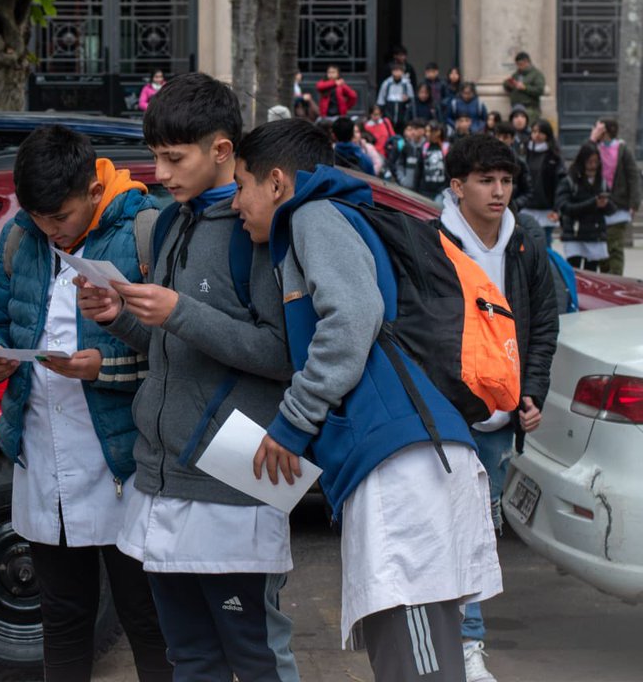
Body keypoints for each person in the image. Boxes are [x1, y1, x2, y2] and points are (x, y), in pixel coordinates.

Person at [232, 117, 502, 682]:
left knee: (420, 665)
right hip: (399, 457)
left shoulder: (313, 215)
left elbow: (353, 317)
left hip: (402, 465)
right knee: (409, 656)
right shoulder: (332, 215)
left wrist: (293, 421)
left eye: (241, 185)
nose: (236, 203)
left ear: (277, 182)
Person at [75, 72, 300, 682]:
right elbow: (173, 347)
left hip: (237, 476)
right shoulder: (172, 221)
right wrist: (122, 317)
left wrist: (182, 312)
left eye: (174, 158)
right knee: (189, 656)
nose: (160, 172)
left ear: (222, 150)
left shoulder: (261, 231)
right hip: (164, 473)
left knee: (253, 654)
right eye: (154, 156)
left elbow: (284, 353)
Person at [0, 125, 171, 682]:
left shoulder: (141, 232)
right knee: (60, 613)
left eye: (59, 217)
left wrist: (102, 367)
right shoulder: (19, 239)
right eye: (38, 217)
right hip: (42, 456)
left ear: (91, 191)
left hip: (122, 461)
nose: (50, 230)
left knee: (145, 615)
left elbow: (175, 353)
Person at [436, 134, 558, 682]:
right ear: (457, 186)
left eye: (506, 181)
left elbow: (543, 327)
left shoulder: (526, 242)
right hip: (449, 416)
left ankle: (466, 641)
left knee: (481, 532)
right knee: (450, 528)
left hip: (501, 421)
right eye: (486, 180)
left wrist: (532, 394)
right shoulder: (435, 241)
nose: (499, 192)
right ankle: (459, 641)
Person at [591, 117, 641, 275]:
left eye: (599, 128)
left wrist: (634, 203)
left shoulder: (622, 149)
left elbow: (633, 176)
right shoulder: (595, 148)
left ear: (606, 131)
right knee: (602, 248)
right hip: (600, 205)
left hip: (619, 206)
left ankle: (615, 280)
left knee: (615, 247)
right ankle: (606, 279)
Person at [556, 141, 616, 271]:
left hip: (595, 234)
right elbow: (565, 207)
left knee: (591, 273)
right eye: (589, 162)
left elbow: (612, 209)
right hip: (574, 233)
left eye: (596, 162)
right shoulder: (570, 181)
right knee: (574, 272)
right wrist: (593, 203)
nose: (593, 166)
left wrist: (605, 204)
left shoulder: (602, 182)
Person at [513, 120, 565, 245]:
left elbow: (560, 183)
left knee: (545, 243)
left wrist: (557, 208)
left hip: (546, 207)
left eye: (541, 132)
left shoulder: (554, 156)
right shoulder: (523, 153)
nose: (536, 135)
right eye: (534, 131)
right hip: (526, 205)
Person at [389, 118, 446, 200]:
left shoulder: (432, 147)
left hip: (431, 191)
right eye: (411, 129)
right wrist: (402, 180)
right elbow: (399, 164)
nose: (413, 132)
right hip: (411, 189)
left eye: (416, 129)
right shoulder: (407, 146)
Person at [503, 52, 546, 124]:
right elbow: (507, 85)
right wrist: (509, 84)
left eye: (520, 64)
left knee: (527, 130)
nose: (519, 67)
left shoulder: (537, 74)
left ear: (527, 62)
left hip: (529, 110)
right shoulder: (517, 74)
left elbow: (540, 90)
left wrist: (525, 88)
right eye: (517, 65)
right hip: (516, 108)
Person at [376, 63, 415, 133]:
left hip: (402, 109)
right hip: (389, 108)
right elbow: (381, 99)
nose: (397, 73)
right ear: (392, 72)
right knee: (388, 129)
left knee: (402, 130)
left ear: (403, 72)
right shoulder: (387, 83)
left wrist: (407, 99)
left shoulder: (406, 84)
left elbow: (412, 99)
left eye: (399, 70)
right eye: (395, 70)